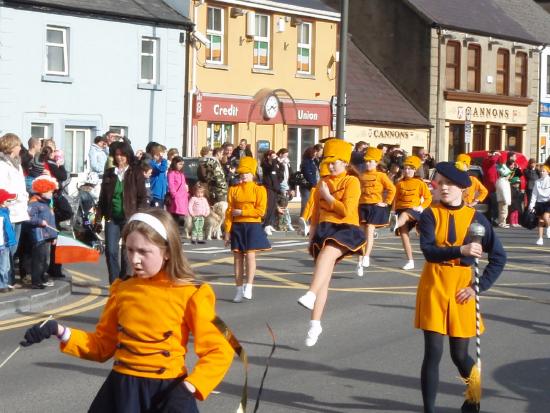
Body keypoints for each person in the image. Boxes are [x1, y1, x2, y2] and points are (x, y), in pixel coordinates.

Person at [21, 209, 234, 412]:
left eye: (143, 251)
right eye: (130, 250)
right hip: (122, 391)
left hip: (167, 392)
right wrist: (59, 331)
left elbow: (220, 349)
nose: (134, 260)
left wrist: (190, 387)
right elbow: (102, 346)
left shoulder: (193, 293)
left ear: (168, 251)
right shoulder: (122, 288)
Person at [415, 161, 506, 413]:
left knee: (459, 355)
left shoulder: (477, 219)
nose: (443, 188)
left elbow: (499, 257)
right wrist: (461, 249)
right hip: (435, 284)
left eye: (450, 184)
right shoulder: (430, 215)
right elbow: (429, 251)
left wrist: (478, 287)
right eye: (440, 183)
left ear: (462, 188)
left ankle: (474, 396)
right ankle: (429, 410)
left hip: (463, 288)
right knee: (432, 352)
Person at [297, 139, 366, 347]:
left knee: (327, 256)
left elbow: (346, 210)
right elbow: (316, 212)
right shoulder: (323, 182)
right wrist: (312, 233)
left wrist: (328, 197)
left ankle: (310, 294)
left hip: (345, 228)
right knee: (323, 278)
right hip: (325, 230)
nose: (331, 165)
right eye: (328, 161)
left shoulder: (351, 182)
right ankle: (315, 324)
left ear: (345, 162)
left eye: (335, 161)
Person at [96, 141, 148, 284]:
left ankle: (125, 280)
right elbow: (102, 199)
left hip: (129, 218)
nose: (119, 158)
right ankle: (114, 282)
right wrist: (97, 218)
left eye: (122, 155)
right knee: (111, 251)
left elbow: (143, 197)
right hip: (111, 218)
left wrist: (139, 217)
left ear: (128, 156)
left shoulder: (135, 172)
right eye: (117, 155)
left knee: (127, 252)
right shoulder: (109, 173)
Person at [224, 156, 270, 303]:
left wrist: (243, 212)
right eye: (242, 173)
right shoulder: (233, 189)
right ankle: (238, 289)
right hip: (237, 226)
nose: (244, 175)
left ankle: (249, 286)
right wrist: (227, 231)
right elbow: (229, 211)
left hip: (252, 225)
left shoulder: (260, 190)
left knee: (250, 256)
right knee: (237, 259)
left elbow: (261, 211)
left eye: (247, 173)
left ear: (253, 174)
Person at [356, 147, 396, 276]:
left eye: (371, 161)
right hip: (362, 206)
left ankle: (367, 256)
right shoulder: (361, 175)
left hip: (374, 206)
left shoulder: (381, 175)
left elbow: (392, 189)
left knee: (369, 228)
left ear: (376, 163)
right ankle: (360, 261)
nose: (368, 164)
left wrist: (386, 202)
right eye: (366, 161)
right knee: (361, 234)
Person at [389, 155, 432, 270]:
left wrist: (421, 207)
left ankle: (395, 225)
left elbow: (428, 198)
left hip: (413, 210)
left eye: (410, 169)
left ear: (414, 170)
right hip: (400, 209)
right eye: (405, 168)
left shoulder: (420, 183)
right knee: (404, 235)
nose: (407, 171)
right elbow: (395, 199)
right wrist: (392, 212)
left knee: (405, 215)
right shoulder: (399, 183)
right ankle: (410, 260)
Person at [0, 133, 29, 289]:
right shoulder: (3, 165)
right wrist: (16, 197)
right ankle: (5, 280)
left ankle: (8, 279)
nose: (20, 148)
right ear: (11, 146)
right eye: (18, 145)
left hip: (19, 210)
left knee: (13, 248)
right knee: (8, 248)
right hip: (9, 210)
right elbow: (2, 188)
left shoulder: (17, 164)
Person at [27, 175, 59, 289]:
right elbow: (29, 218)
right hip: (39, 236)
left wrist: (54, 236)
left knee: (45, 259)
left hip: (48, 236)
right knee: (38, 259)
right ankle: (36, 281)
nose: (51, 193)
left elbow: (52, 222)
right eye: (49, 191)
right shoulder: (34, 203)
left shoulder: (47, 204)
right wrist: (40, 221)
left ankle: (42, 277)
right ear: (42, 191)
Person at [261, 150, 282, 236]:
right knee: (269, 207)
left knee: (273, 207)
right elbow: (271, 170)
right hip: (268, 187)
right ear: (268, 156)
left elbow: (280, 174)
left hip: (275, 188)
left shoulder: (275, 164)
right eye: (272, 156)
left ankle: (269, 224)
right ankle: (265, 225)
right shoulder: (265, 165)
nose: (274, 158)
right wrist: (274, 161)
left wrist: (280, 164)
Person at [528, 164, 550, 246]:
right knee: (540, 221)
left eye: (543, 171)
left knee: (545, 217)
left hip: (548, 202)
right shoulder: (537, 182)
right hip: (539, 203)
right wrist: (531, 205)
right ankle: (540, 238)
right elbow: (534, 194)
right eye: (541, 171)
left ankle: (548, 227)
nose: (542, 172)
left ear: (548, 172)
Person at [0, 189, 17, 293]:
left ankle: (4, 283)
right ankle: (2, 285)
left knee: (6, 266)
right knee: (3, 266)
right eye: (7, 201)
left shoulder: (5, 212)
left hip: (6, 243)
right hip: (2, 244)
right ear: (1, 202)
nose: (9, 203)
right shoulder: (1, 215)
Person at [167, 156, 189, 226]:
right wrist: (174, 195)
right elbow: (171, 185)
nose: (181, 166)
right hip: (176, 198)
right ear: (174, 163)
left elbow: (184, 184)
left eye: (182, 164)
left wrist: (187, 193)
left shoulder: (181, 174)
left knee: (182, 217)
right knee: (175, 215)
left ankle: (179, 231)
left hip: (183, 198)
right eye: (179, 164)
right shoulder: (171, 173)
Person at [299, 146, 320, 216]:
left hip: (312, 186)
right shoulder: (306, 162)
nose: (316, 153)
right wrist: (314, 184)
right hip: (306, 186)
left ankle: (307, 219)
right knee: (306, 204)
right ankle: (303, 219)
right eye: (314, 152)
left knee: (311, 204)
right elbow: (308, 174)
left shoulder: (313, 161)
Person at [149, 144, 168, 208]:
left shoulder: (159, 164)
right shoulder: (152, 163)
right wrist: (163, 159)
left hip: (161, 195)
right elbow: (162, 169)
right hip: (155, 194)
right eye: (159, 155)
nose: (161, 156)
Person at [495, 156, 512, 228]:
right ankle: (502, 223)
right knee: (503, 211)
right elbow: (504, 191)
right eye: (509, 175)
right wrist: (506, 200)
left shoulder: (501, 181)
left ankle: (502, 222)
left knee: (503, 211)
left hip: (502, 198)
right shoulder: (503, 182)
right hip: (503, 199)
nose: (509, 176)